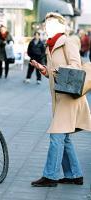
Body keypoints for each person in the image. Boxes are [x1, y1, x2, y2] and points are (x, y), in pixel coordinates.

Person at [30, 12, 91, 187]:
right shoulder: (50, 45)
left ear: (60, 26)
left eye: (51, 24)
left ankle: (50, 176)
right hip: (60, 96)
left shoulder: (68, 42)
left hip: (70, 97)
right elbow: (55, 72)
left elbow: (75, 67)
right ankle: (74, 175)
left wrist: (55, 70)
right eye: (46, 24)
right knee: (64, 138)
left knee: (56, 135)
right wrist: (44, 69)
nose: (47, 27)